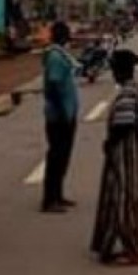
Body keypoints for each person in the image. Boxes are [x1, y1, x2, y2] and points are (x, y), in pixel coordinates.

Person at [91, 49, 138, 266]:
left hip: (126, 158)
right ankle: (109, 246)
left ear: (120, 70)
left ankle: (132, 250)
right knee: (121, 200)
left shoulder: (127, 93)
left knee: (122, 201)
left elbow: (124, 123)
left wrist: (110, 143)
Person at [41, 21, 80, 213]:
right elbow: (55, 86)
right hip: (59, 117)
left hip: (66, 113)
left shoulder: (60, 54)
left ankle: (58, 195)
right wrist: (64, 113)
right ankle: (49, 200)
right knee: (56, 157)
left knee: (63, 157)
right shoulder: (56, 57)